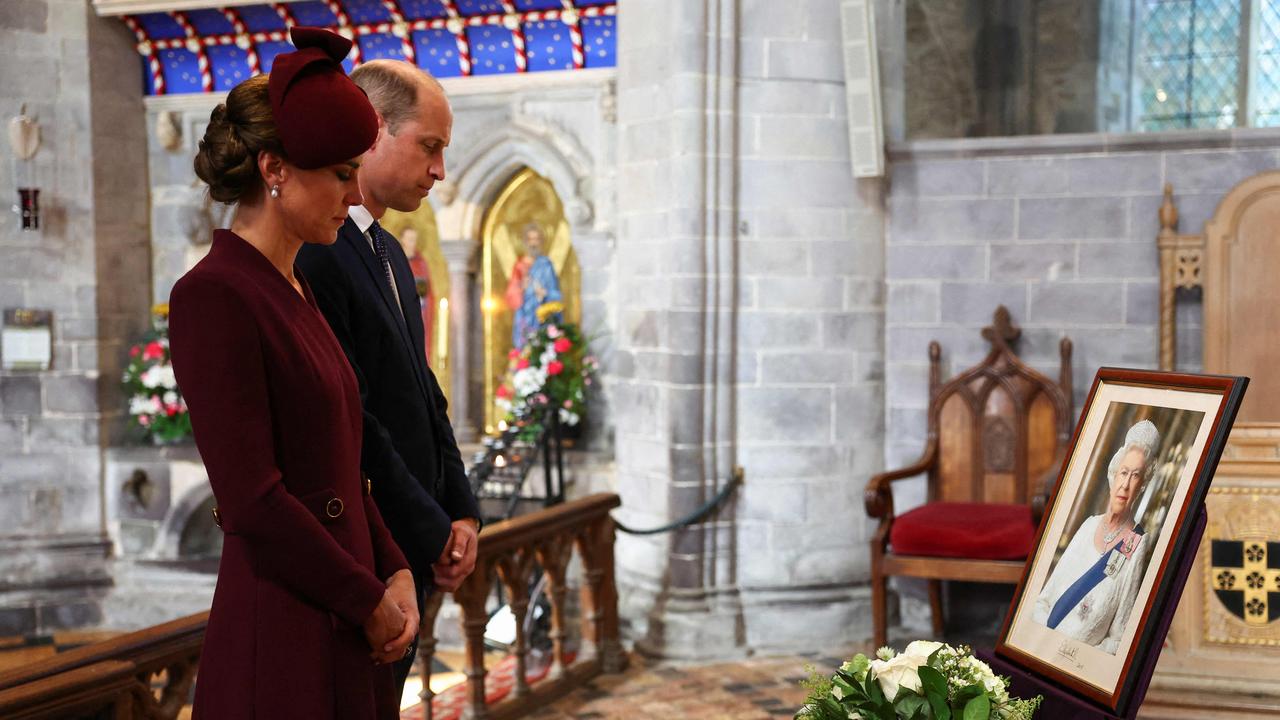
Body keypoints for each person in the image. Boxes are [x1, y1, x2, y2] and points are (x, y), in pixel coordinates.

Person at [169, 28, 416, 719]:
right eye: (339, 174)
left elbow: (339, 461)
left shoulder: (295, 284)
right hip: (285, 623)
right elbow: (254, 498)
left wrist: (392, 563)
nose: (352, 191)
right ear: (274, 169)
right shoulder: (214, 294)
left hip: (339, 604)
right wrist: (366, 598)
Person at [295, 59, 481, 697]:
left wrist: (463, 511)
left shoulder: (391, 253)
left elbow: (426, 396)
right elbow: (359, 416)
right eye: (429, 146)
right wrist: (431, 533)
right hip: (372, 546)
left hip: (419, 535)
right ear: (372, 131)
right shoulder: (322, 253)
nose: (439, 170)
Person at [1032, 419, 1158, 654]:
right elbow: (1043, 600)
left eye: (1135, 476)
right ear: (1112, 475)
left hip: (1077, 665)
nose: (1125, 485)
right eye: (1123, 473)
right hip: (1042, 647)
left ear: (1142, 485)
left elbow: (1119, 638)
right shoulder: (1088, 525)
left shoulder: (1135, 543)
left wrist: (1076, 656)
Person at [509, 222, 563, 349]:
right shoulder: (519, 266)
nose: (533, 243)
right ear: (525, 241)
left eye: (537, 239)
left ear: (541, 241)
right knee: (525, 344)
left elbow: (557, 294)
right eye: (530, 239)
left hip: (543, 313)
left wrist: (546, 293)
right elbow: (511, 295)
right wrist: (521, 288)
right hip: (524, 313)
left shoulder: (546, 265)